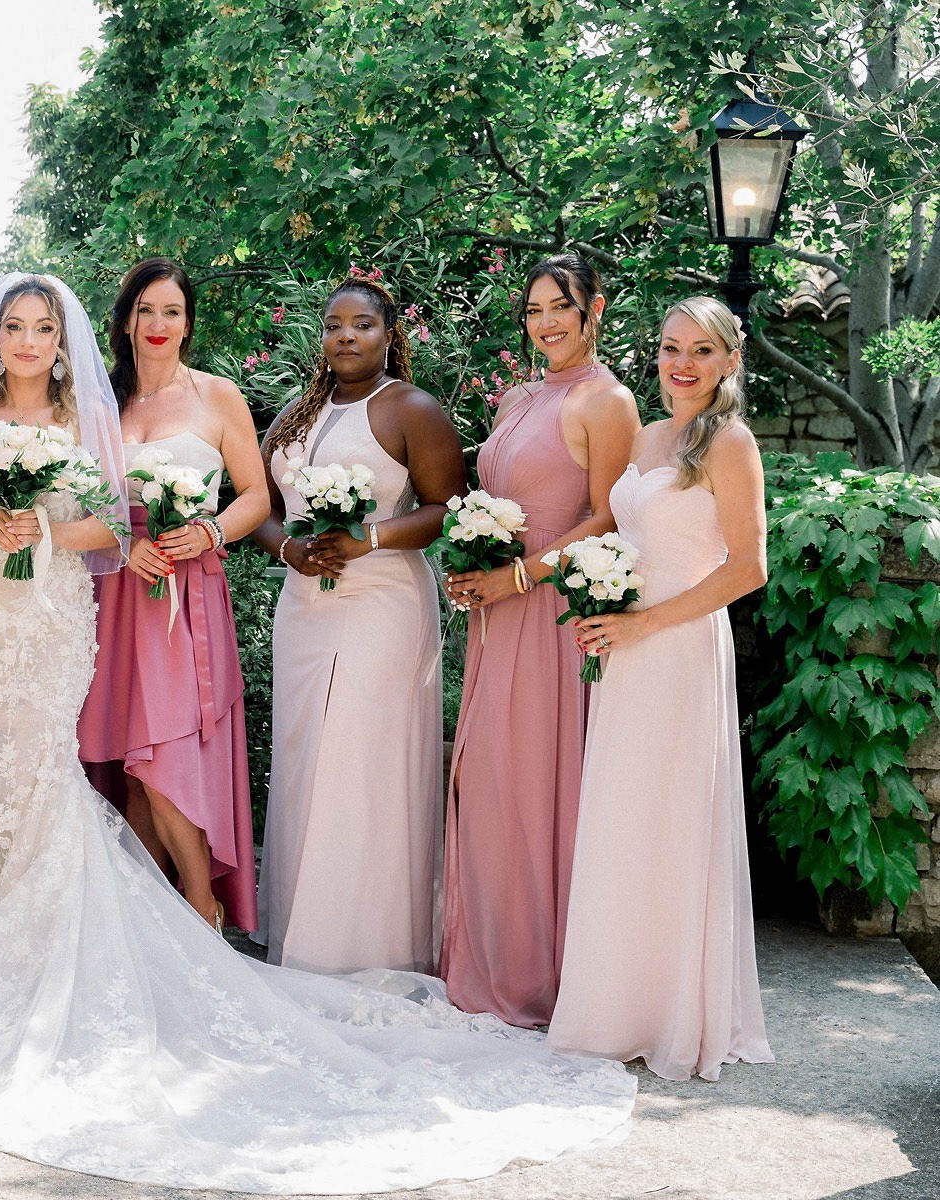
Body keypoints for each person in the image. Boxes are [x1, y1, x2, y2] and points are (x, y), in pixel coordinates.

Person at [0, 273, 633, 1196]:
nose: (27, 339)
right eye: (13, 326)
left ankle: (89, 929)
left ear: (63, 341)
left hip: (63, 610)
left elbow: (110, 518)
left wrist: (75, 533)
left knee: (50, 760)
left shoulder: (89, 411)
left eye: (41, 326)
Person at [548, 295, 774, 1082]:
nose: (681, 364)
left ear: (729, 361)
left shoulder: (730, 442)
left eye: (701, 351)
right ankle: (617, 1005)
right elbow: (620, 534)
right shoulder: (646, 436)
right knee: (622, 817)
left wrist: (647, 624)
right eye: (671, 347)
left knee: (672, 817)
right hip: (622, 650)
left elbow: (747, 568)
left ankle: (678, 1009)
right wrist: (596, 598)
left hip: (677, 650)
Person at [438, 254, 640, 1027]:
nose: (546, 322)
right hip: (497, 607)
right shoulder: (521, 395)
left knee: (533, 782)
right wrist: (474, 558)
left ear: (594, 310)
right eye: (533, 310)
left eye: (561, 307)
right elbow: (497, 494)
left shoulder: (607, 400)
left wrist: (521, 577)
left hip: (551, 611)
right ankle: (485, 957)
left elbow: (607, 518)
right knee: (486, 778)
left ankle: (542, 975)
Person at [251, 276, 466, 974]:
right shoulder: (294, 412)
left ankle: (369, 944)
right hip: (304, 605)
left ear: (389, 334)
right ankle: (300, 933)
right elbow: (258, 505)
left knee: (362, 759)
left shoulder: (412, 408)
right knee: (307, 755)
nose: (346, 336)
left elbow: (448, 507)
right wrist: (289, 549)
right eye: (334, 324)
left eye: (363, 325)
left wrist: (366, 540)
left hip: (382, 604)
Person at [78, 258, 268, 933]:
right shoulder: (100, 406)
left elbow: (256, 496)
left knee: (165, 755)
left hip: (184, 594)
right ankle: (147, 923)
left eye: (173, 312)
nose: (159, 325)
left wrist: (210, 531)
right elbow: (82, 497)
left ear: (189, 323)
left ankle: (201, 906)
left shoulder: (219, 398)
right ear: (126, 319)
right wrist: (118, 544)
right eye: (146, 310)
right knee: (129, 763)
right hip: (116, 587)